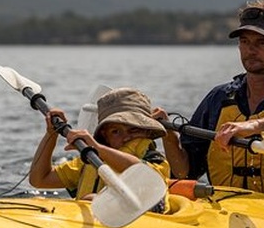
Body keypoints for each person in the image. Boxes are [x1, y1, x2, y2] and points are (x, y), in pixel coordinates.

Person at [156, 0, 264, 200]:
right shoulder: (218, 99)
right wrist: (167, 133)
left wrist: (252, 126)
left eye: (262, 43)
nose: (251, 50)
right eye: (245, 42)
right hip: (225, 208)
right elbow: (184, 172)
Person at [29, 87, 171, 211]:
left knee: (91, 198)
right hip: (94, 227)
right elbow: (39, 179)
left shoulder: (157, 161)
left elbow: (141, 173)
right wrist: (51, 135)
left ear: (146, 131)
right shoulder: (89, 162)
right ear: (105, 135)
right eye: (116, 131)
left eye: (133, 130)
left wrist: (97, 148)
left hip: (144, 223)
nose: (126, 137)